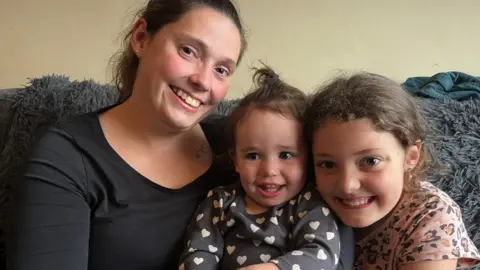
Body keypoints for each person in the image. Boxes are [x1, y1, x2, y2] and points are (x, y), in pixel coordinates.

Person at [6, 0, 247, 269]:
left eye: (221, 70)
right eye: (188, 51)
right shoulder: (68, 157)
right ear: (141, 38)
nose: (203, 81)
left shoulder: (241, 147)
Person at [304, 72, 480, 270]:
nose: (347, 185)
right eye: (328, 164)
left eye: (370, 161)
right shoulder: (307, 204)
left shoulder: (430, 215)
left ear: (411, 157)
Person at [179, 66, 349, 270]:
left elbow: (321, 255)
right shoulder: (220, 202)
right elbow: (198, 252)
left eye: (286, 155)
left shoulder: (309, 203)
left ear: (308, 158)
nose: (269, 170)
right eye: (253, 156)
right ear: (236, 160)